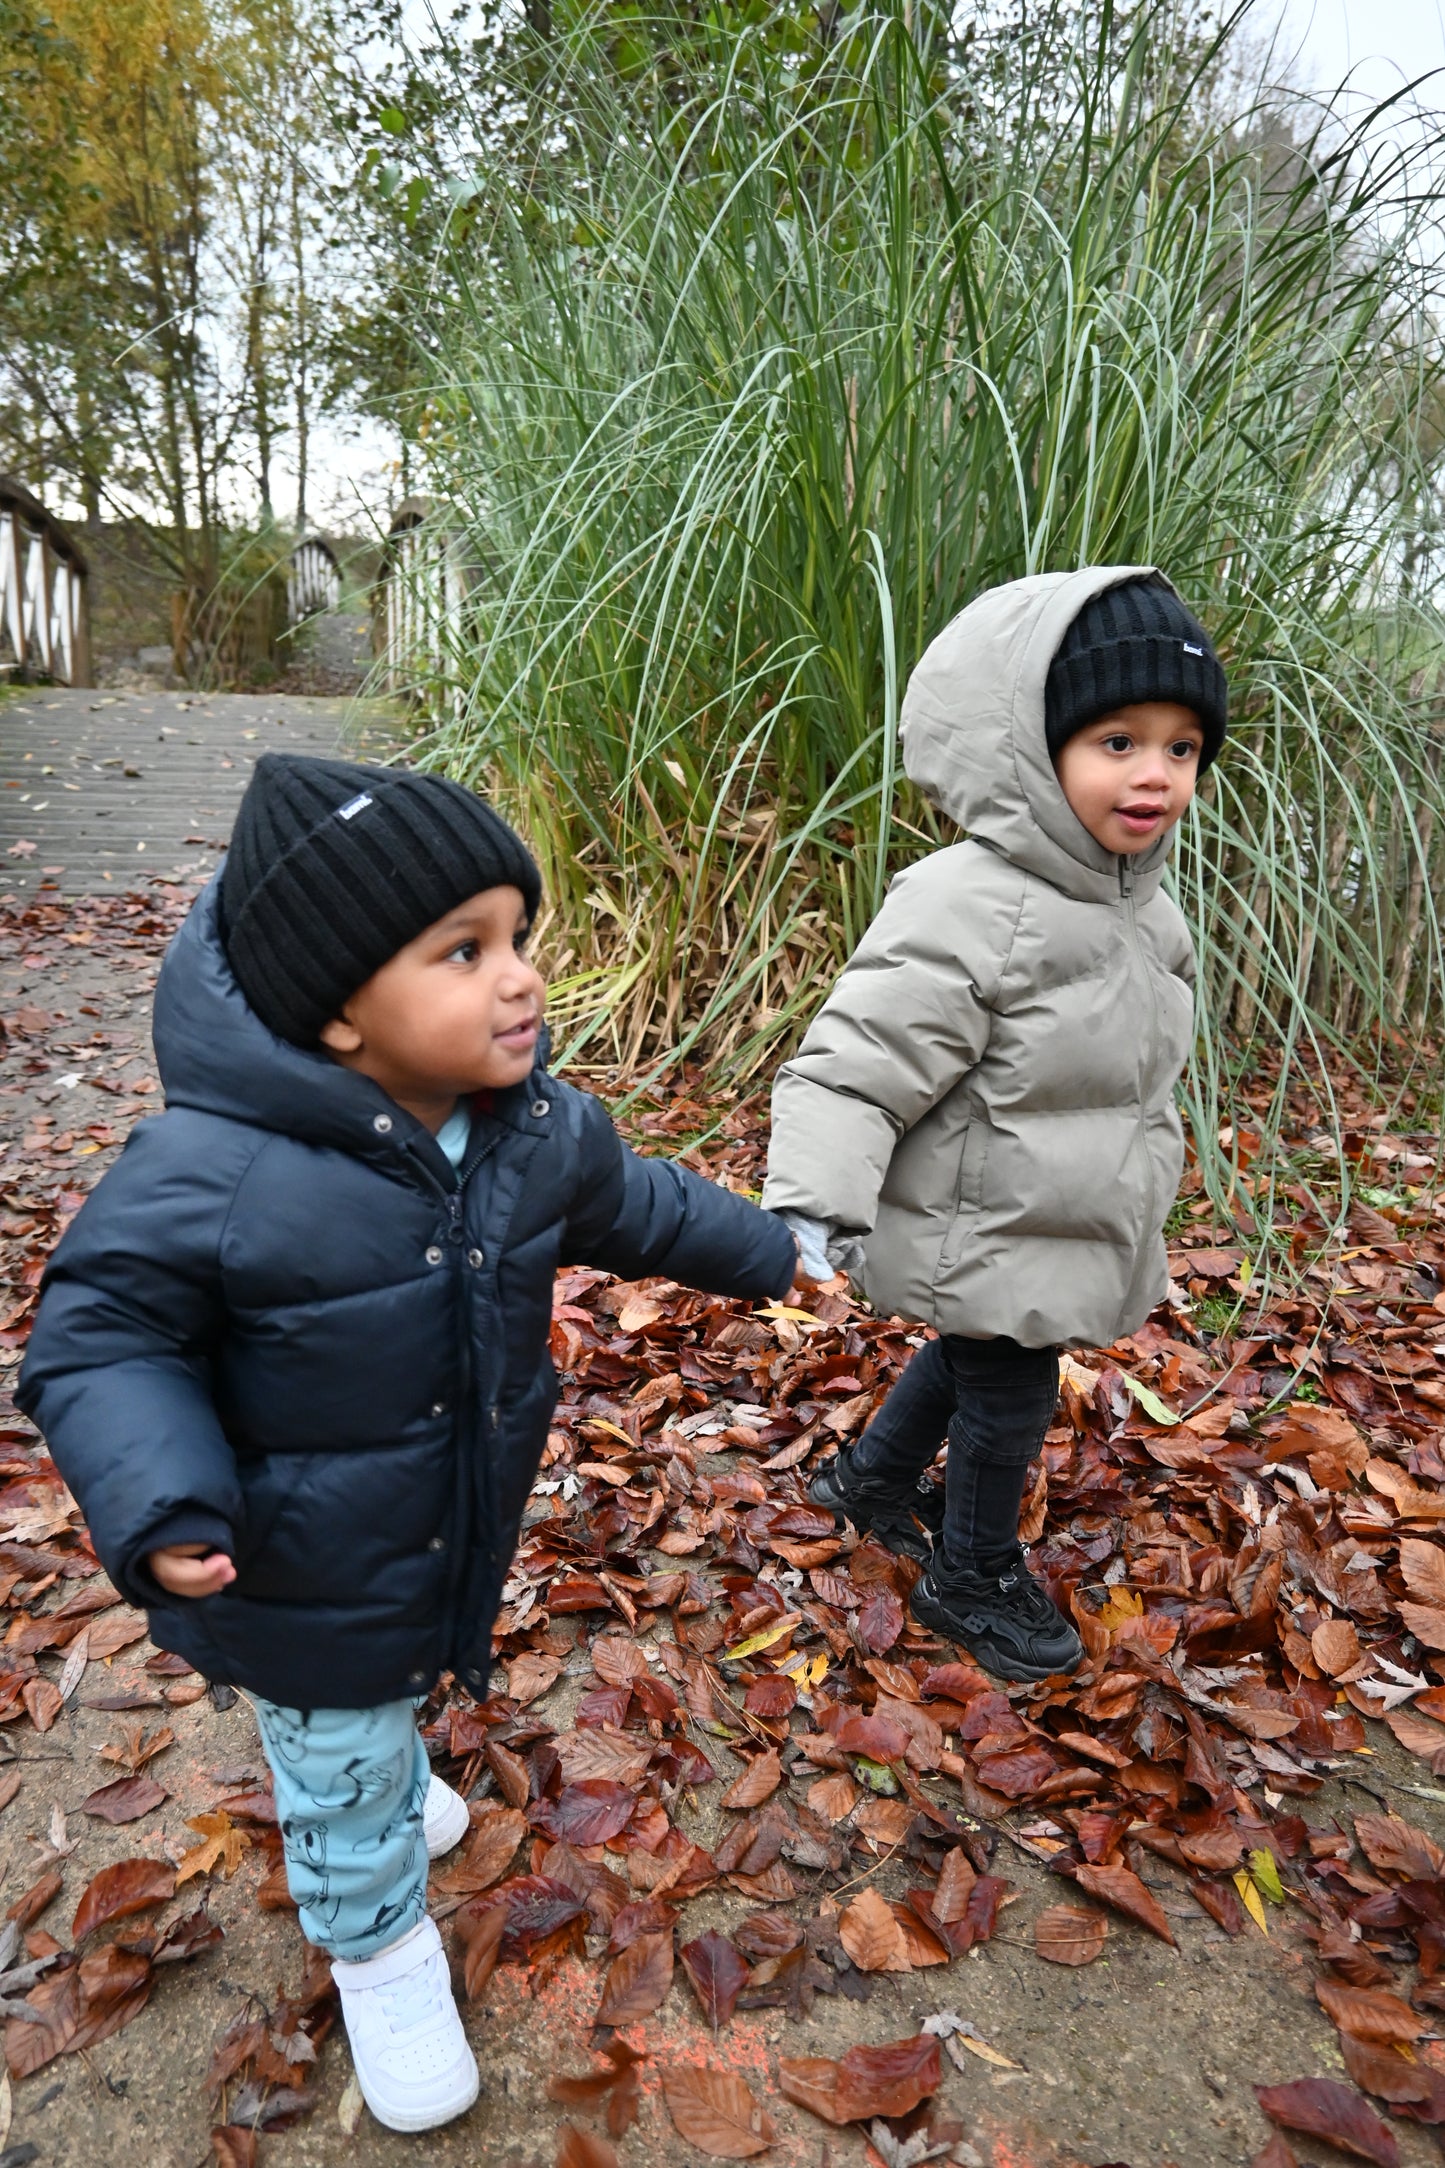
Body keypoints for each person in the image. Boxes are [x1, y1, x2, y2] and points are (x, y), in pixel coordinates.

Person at [19, 755, 796, 2135]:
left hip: (439, 1514)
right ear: (337, 1020)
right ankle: (377, 1952)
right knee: (338, 1760)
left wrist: (771, 1253)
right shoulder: (216, 1169)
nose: (520, 981)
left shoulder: (532, 1130)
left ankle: (395, 1767)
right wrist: (165, 1497)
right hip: (290, 1557)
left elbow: (642, 1207)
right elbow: (102, 1337)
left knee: (397, 1692)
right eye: (463, 952)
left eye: (518, 940)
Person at [764, 569, 1228, 1684]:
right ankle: (969, 1570)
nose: (1153, 773)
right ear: (1034, 744)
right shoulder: (970, 898)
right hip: (979, 1210)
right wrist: (815, 1197)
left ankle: (869, 1481)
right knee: (1008, 1381)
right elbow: (858, 1061)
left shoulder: (1138, 905)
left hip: (1044, 1207)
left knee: (985, 1352)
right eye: (1116, 739)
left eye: (1179, 746)